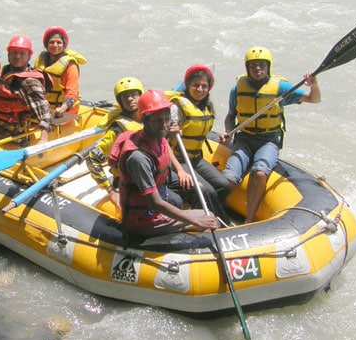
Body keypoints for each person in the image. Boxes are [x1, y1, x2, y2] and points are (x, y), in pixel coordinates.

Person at [219, 47, 321, 224]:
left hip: (269, 140)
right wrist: (229, 132)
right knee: (228, 177)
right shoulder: (237, 89)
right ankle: (216, 212)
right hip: (244, 138)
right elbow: (230, 116)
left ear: (268, 67)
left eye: (261, 65)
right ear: (247, 68)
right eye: (253, 66)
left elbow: (313, 99)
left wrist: (314, 85)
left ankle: (249, 220)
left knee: (259, 173)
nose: (257, 69)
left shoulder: (281, 88)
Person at [109, 89, 218, 239]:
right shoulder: (138, 158)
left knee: (204, 205)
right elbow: (155, 203)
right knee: (205, 217)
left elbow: (164, 152)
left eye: (166, 119)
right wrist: (195, 220)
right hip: (143, 220)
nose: (164, 125)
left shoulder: (158, 137)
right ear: (144, 120)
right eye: (158, 120)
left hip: (157, 205)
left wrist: (180, 170)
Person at [167, 64, 233, 204]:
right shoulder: (177, 108)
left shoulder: (207, 107)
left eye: (204, 86)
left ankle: (210, 212)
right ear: (188, 86)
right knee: (206, 190)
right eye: (195, 85)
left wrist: (223, 136)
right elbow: (163, 143)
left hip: (196, 159)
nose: (200, 90)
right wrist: (179, 170)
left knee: (223, 186)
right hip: (178, 159)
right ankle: (204, 218)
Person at [0, 35, 53, 145]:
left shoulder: (30, 82)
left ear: (29, 57)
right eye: (14, 53)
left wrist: (43, 139)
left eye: (22, 54)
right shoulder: (6, 71)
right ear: (8, 54)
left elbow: (44, 111)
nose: (17, 56)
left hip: (10, 130)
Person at [85, 77, 146, 211]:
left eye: (133, 95)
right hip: (128, 182)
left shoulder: (151, 121)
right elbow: (91, 158)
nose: (130, 99)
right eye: (125, 97)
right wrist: (110, 191)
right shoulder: (117, 130)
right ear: (120, 102)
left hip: (151, 177)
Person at [34, 26, 87, 118]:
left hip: (65, 111)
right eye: (51, 42)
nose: (55, 45)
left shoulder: (70, 65)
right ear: (46, 45)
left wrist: (62, 108)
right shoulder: (40, 60)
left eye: (59, 42)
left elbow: (72, 92)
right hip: (45, 108)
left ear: (64, 45)